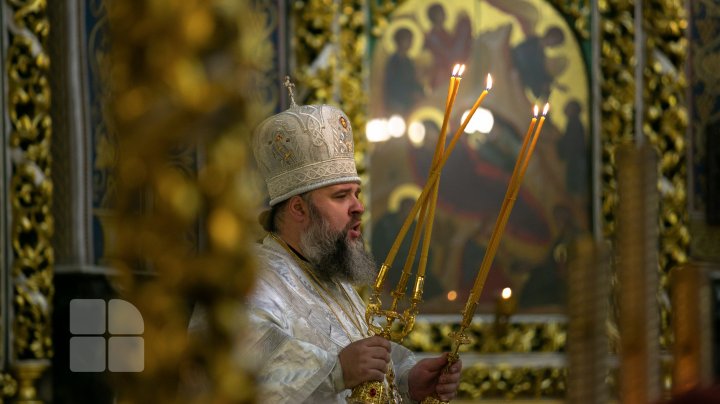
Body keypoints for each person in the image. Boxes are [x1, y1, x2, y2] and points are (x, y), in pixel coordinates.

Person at [247, 80, 462, 403]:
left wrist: (407, 379)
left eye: (357, 193)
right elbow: (238, 373)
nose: (358, 206)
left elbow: (365, 354)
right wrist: (335, 372)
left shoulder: (329, 275)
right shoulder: (249, 279)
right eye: (340, 196)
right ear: (298, 208)